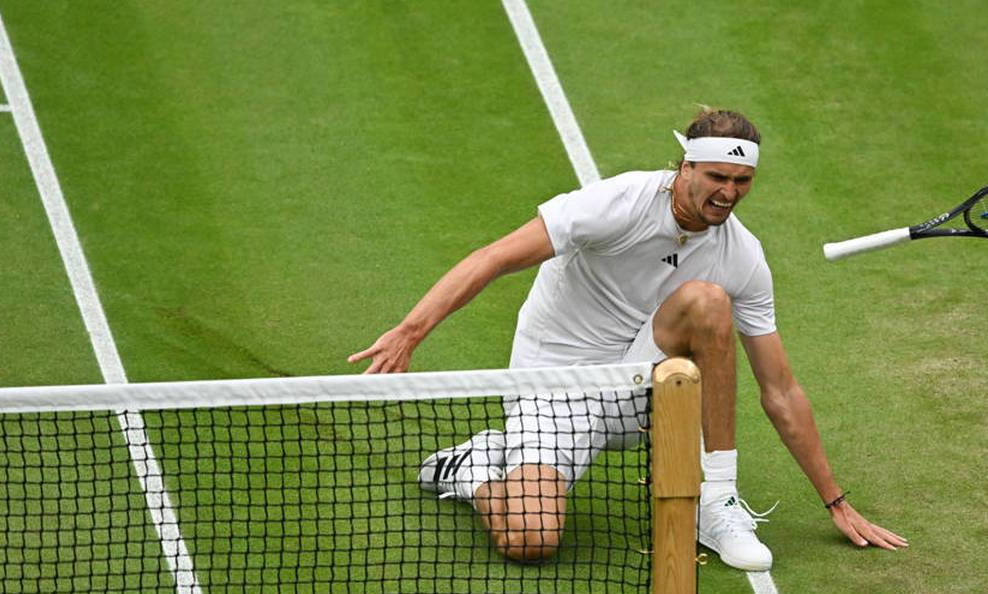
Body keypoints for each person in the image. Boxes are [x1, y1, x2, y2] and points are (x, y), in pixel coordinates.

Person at [349, 108, 907, 570]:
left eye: (741, 182)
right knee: (531, 540)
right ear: (685, 168)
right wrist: (409, 331)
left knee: (709, 301)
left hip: (645, 390)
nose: (729, 193)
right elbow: (494, 258)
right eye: (717, 177)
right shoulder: (618, 203)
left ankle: (716, 500)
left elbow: (779, 388)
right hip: (555, 386)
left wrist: (835, 501)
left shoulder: (742, 255)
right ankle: (474, 470)